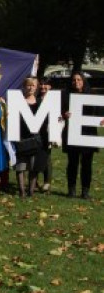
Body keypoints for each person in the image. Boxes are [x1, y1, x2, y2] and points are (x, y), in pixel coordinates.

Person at [61, 71, 97, 199]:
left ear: (83, 81)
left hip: (88, 133)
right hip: (72, 133)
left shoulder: (91, 95)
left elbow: (98, 113)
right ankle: (71, 190)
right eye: (74, 80)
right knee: (72, 163)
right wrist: (64, 115)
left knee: (87, 164)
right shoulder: (65, 95)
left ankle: (85, 191)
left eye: (79, 79)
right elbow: (60, 114)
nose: (76, 82)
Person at [15, 77, 45, 199]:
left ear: (36, 87)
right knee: (20, 166)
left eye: (33, 85)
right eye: (28, 85)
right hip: (21, 137)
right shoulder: (17, 102)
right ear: (24, 86)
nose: (30, 87)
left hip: (36, 138)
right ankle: (21, 190)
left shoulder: (41, 103)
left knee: (34, 166)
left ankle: (31, 190)